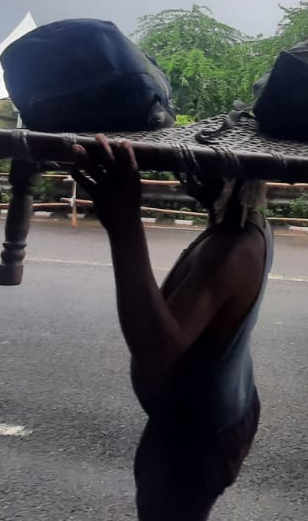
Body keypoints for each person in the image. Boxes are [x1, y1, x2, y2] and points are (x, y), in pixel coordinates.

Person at [69, 134, 273, 521]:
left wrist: (125, 225)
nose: (187, 175)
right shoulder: (243, 221)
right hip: (206, 416)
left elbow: (156, 349)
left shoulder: (229, 248)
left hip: (197, 435)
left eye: (199, 166)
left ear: (230, 178)